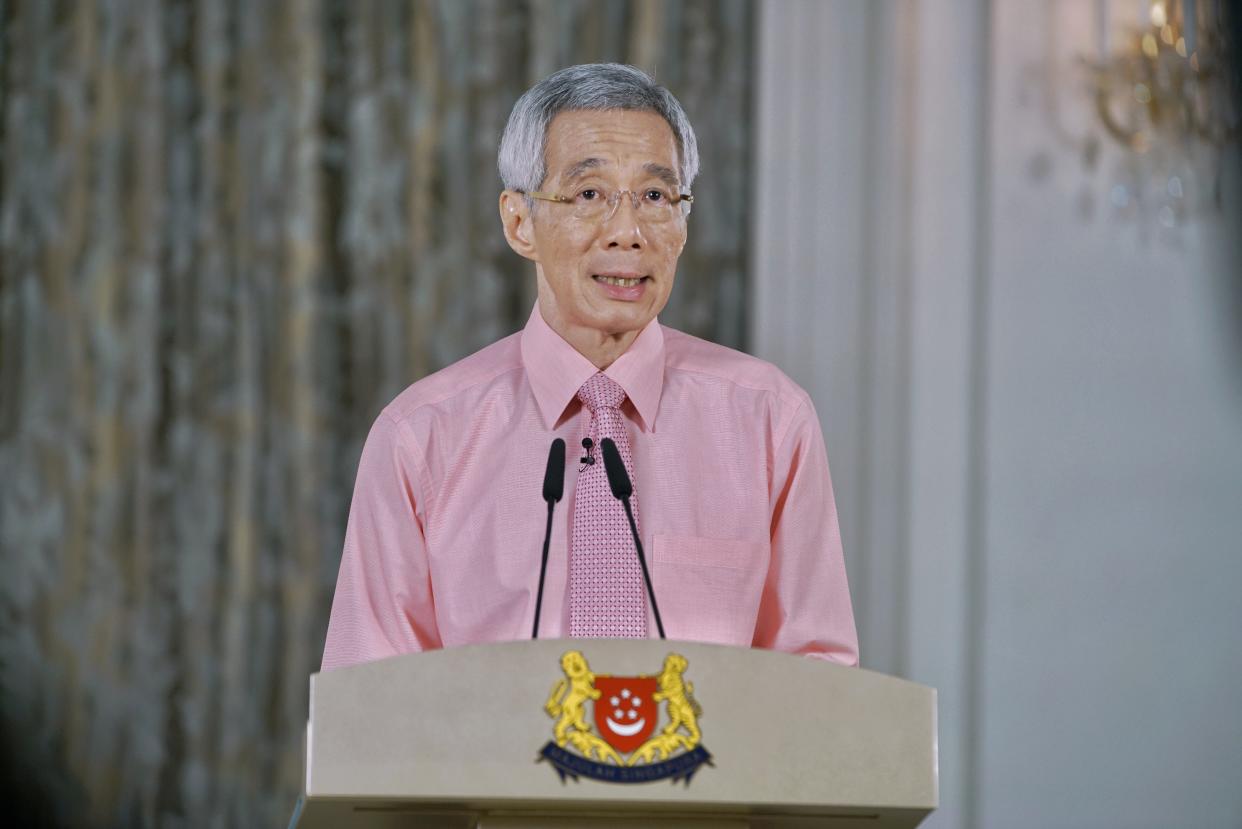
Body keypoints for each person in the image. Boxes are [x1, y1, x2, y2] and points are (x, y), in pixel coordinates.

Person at [321, 63, 857, 671]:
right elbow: (371, 699)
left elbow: (818, 684)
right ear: (519, 222)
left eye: (655, 197)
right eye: (589, 195)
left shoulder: (769, 420)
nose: (627, 232)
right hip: (491, 768)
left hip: (706, 766)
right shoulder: (422, 437)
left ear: (683, 222)